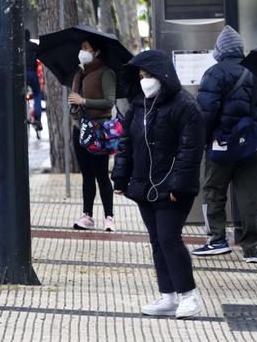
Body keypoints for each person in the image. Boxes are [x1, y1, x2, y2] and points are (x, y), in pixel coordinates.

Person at [112, 50, 206, 319]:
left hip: (174, 188)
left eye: (149, 75)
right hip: (145, 187)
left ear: (163, 75)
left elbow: (190, 151)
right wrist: (120, 177)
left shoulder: (185, 106)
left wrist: (177, 185)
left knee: (169, 238)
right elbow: (127, 144)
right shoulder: (138, 107)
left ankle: (189, 295)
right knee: (157, 241)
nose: (144, 81)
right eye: (141, 76)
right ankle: (168, 295)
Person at [193, 26, 257, 262]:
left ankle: (217, 239)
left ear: (220, 50)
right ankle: (251, 249)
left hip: (222, 145)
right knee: (248, 196)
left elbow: (205, 113)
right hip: (252, 146)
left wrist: (204, 140)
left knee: (213, 191)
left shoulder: (215, 73)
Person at [68, 37, 118, 231]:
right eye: (81, 47)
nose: (82, 51)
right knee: (86, 175)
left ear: (96, 51)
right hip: (79, 129)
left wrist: (83, 101)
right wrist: (75, 103)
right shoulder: (79, 73)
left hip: (98, 130)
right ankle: (86, 215)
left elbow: (109, 102)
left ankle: (109, 217)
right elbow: (77, 100)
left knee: (101, 175)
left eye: (86, 48)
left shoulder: (105, 73)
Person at [25, 30, 43, 136]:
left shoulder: (18, 46)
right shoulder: (33, 45)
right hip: (33, 73)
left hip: (22, 75)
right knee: (37, 94)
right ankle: (37, 117)